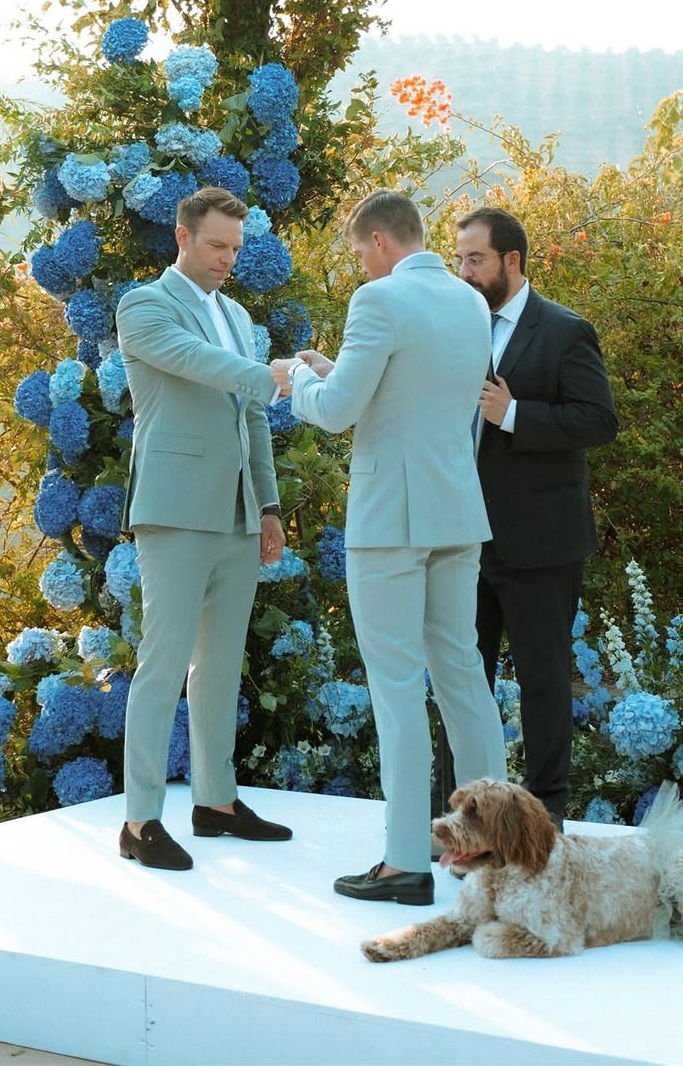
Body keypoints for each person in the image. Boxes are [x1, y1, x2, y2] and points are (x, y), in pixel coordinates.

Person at [271, 190, 506, 907]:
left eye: (358, 252)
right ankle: (491, 847)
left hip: (391, 520)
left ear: (378, 241)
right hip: (456, 510)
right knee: (464, 675)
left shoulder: (378, 300)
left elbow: (337, 412)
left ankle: (405, 861)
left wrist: (297, 378)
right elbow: (413, 391)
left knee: (397, 687)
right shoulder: (469, 301)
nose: (361, 266)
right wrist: (333, 367)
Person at [116, 186, 292, 869]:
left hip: (238, 513)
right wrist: (268, 374)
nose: (227, 259)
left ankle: (216, 803)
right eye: (216, 245)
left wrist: (268, 507)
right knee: (162, 665)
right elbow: (197, 362)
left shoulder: (239, 316)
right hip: (175, 509)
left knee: (219, 667)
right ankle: (138, 823)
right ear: (182, 237)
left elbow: (252, 416)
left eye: (236, 249)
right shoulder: (144, 305)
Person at [439, 205, 618, 828]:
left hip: (542, 543)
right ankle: (458, 819)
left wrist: (514, 415)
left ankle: (546, 823)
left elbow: (599, 420)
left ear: (511, 260)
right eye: (460, 259)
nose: (464, 272)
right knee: (462, 682)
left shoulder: (566, 331)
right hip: (462, 537)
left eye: (476, 259)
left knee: (544, 684)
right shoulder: (457, 327)